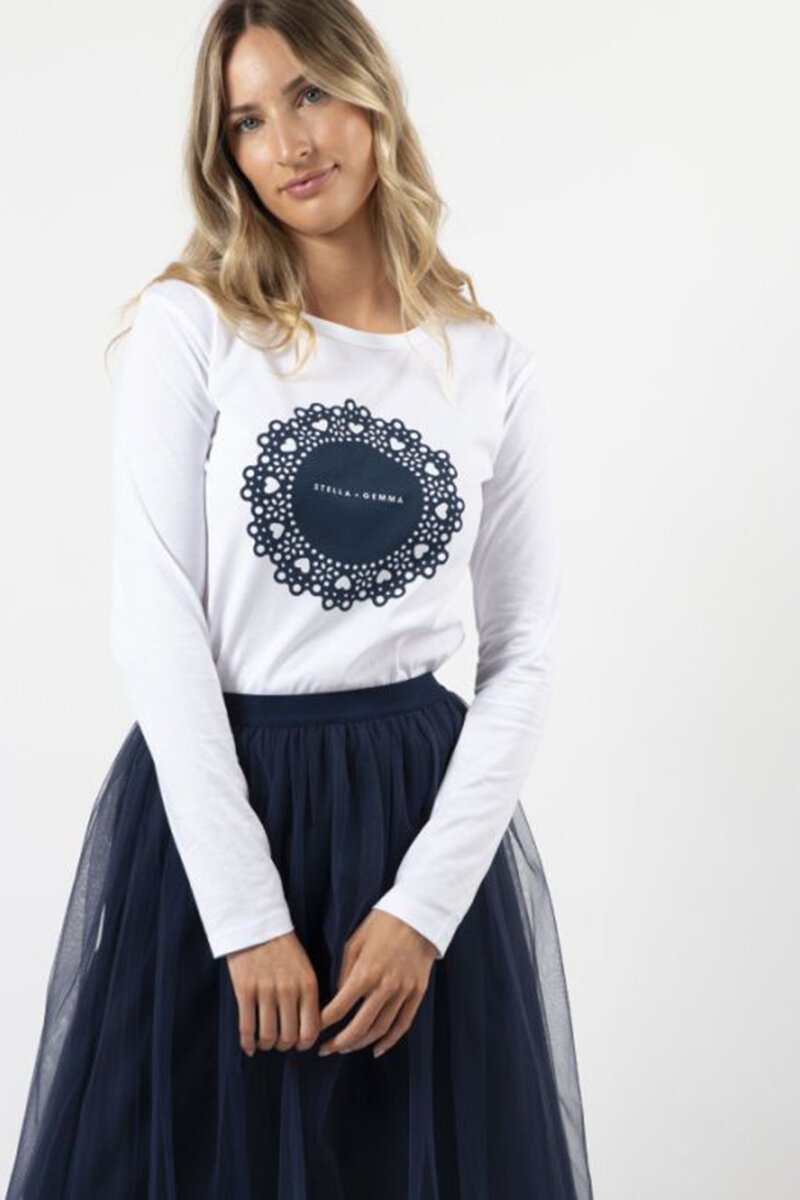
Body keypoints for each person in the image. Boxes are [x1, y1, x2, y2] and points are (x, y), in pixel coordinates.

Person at [4, 1, 594, 1197]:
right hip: (224, 804)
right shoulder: (194, 327)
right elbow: (155, 618)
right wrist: (243, 915)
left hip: (415, 818)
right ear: (223, 152)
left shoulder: (488, 367)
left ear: (370, 96)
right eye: (247, 121)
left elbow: (523, 649)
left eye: (309, 94)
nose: (287, 143)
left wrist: (424, 909)